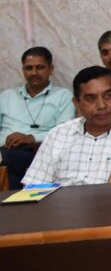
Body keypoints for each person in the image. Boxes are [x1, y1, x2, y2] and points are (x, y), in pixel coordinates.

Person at [22, 66, 111, 186]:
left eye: (108, 96)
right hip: (59, 202)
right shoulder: (57, 134)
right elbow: (34, 187)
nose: (102, 105)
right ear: (77, 103)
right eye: (91, 98)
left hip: (110, 201)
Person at [0, 47, 75, 189]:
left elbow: (64, 132)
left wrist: (32, 138)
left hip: (38, 151)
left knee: (16, 159)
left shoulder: (63, 96)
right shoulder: (6, 96)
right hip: (4, 151)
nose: (34, 73)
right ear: (23, 70)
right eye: (29, 68)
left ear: (51, 69)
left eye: (40, 67)